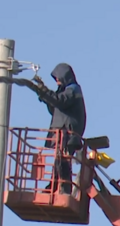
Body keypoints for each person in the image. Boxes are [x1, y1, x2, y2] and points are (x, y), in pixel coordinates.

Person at [36, 63, 87, 194]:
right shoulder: (64, 91)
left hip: (67, 134)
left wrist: (45, 92)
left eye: (58, 77)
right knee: (59, 159)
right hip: (62, 132)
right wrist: (44, 94)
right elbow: (54, 107)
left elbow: (60, 102)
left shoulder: (73, 89)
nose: (57, 81)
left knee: (63, 159)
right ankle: (54, 186)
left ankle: (63, 188)